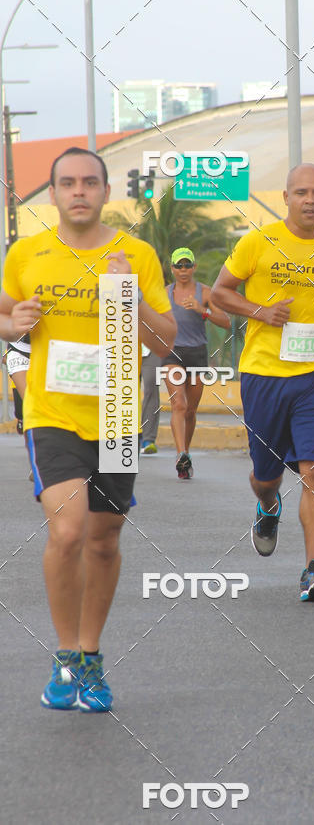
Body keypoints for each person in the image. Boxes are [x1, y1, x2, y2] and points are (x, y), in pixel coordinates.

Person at [0, 146, 176, 711]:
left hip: (119, 415)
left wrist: (130, 300)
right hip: (51, 414)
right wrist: (11, 324)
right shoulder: (28, 254)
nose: (79, 191)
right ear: (51, 194)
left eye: (90, 182)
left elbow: (165, 341)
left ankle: (92, 655)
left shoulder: (137, 255)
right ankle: (65, 652)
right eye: (67, 183)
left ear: (105, 192)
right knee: (69, 531)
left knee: (103, 541)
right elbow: (4, 313)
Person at [211, 163, 314, 601]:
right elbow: (220, 292)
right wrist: (260, 311)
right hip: (264, 375)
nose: (310, 200)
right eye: (301, 193)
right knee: (266, 474)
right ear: (286, 198)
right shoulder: (257, 242)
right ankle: (267, 504)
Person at [161, 247, 231, 479]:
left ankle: (186, 454)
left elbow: (226, 322)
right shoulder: (164, 293)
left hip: (197, 354)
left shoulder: (206, 292)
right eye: (178, 265)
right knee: (178, 404)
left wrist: (203, 310)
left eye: (187, 265)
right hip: (172, 353)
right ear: (171, 268)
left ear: (194, 267)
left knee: (190, 411)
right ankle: (181, 453)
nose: (183, 270)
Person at [141, 344, 161, 454]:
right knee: (126, 391)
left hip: (151, 347)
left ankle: (148, 439)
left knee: (151, 389)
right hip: (125, 346)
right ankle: (126, 436)